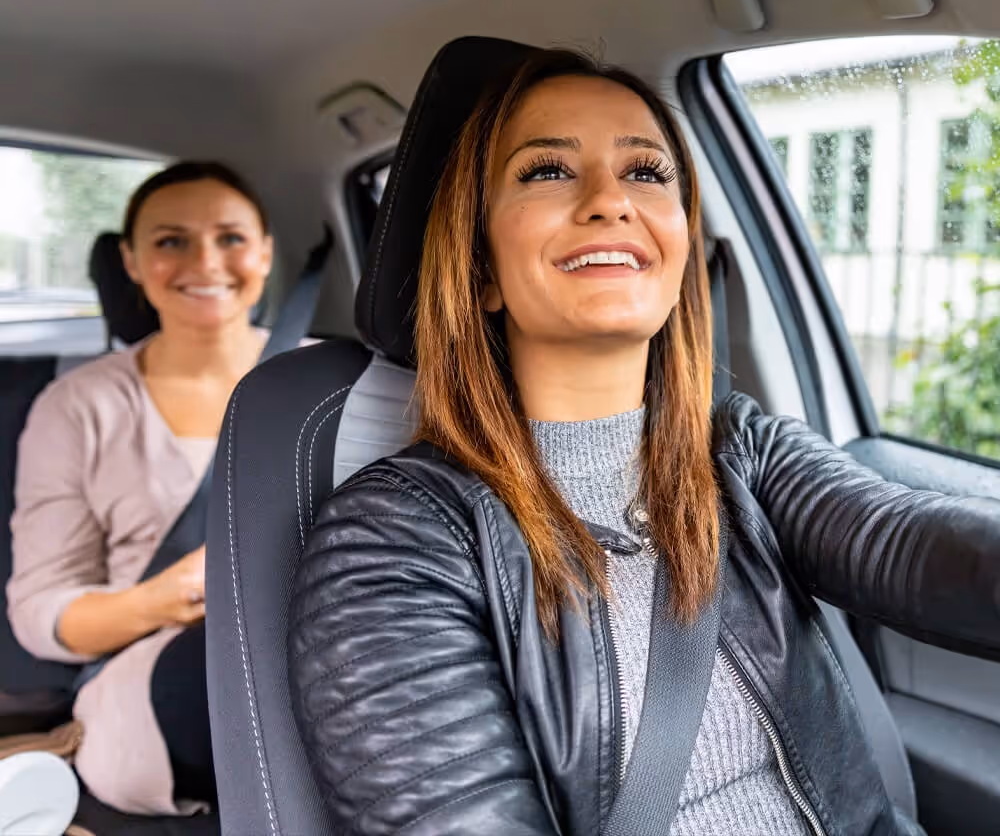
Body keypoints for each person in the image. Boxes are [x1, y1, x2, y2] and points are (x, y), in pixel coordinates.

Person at [287, 48, 1000, 835]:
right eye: (547, 172)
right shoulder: (394, 543)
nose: (609, 200)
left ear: (680, 247)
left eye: (647, 172)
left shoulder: (739, 452)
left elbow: (909, 543)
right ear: (481, 267)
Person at [8, 161, 274, 816]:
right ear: (130, 261)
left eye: (231, 238)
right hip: (159, 676)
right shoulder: (78, 406)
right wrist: (172, 595)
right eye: (171, 241)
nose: (206, 261)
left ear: (266, 251)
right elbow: (43, 611)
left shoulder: (336, 378)